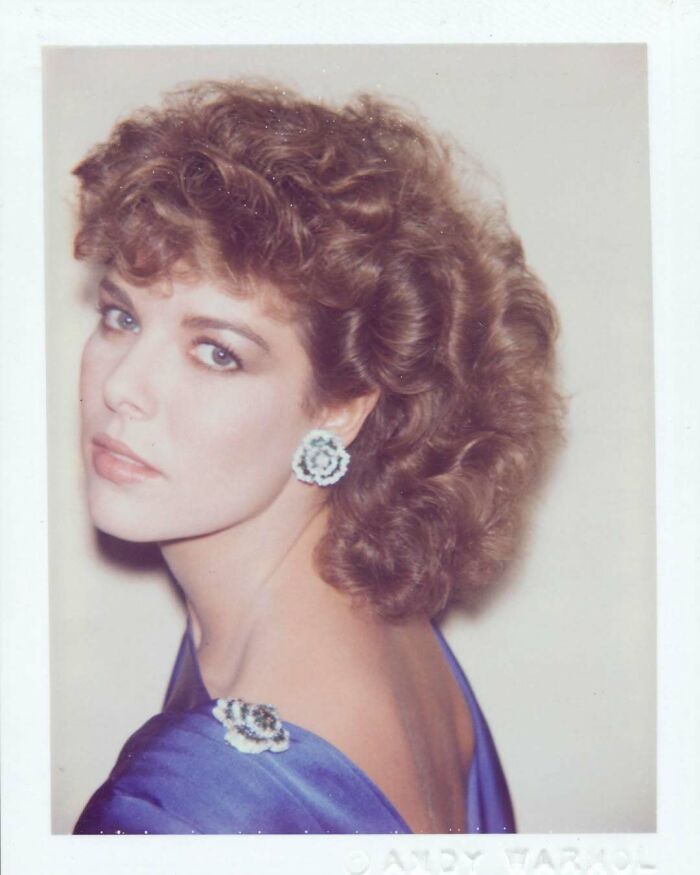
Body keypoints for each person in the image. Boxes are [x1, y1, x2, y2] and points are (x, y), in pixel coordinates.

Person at [70, 80, 564, 835]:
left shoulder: (190, 802)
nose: (125, 386)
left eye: (215, 352)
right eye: (120, 315)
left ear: (341, 406)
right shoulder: (385, 623)